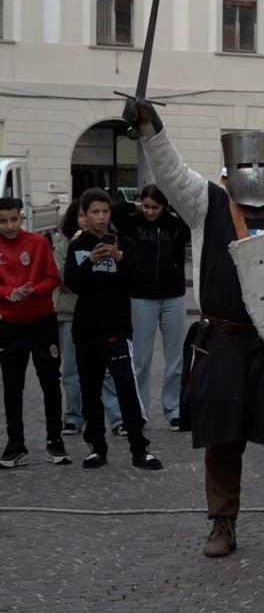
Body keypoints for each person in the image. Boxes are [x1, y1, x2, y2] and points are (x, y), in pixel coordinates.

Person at [129, 101, 264, 557]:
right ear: (229, 166)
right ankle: (222, 522)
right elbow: (171, 172)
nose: (252, 170)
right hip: (224, 340)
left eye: (261, 162)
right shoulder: (207, 204)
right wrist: (150, 130)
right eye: (243, 162)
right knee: (221, 437)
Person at [63, 189, 163, 471]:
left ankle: (139, 449)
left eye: (105, 212)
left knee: (127, 388)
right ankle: (97, 448)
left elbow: (135, 280)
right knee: (90, 390)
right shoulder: (78, 246)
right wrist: (91, 262)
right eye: (95, 212)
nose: (101, 217)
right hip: (85, 330)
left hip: (116, 327)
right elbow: (73, 283)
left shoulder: (125, 244)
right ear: (84, 214)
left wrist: (118, 258)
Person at [111, 185, 191, 431]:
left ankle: (174, 409)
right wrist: (135, 205)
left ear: (165, 206)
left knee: (176, 358)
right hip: (141, 298)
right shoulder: (133, 224)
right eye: (146, 206)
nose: (150, 212)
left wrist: (171, 202)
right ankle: (139, 410)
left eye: (155, 207)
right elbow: (114, 209)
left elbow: (191, 215)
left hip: (173, 298)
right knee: (140, 360)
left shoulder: (177, 226)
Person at [0, 198, 68, 468]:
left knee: (50, 381)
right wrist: (8, 294)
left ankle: (55, 441)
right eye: (3, 221)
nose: (9, 226)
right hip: (9, 325)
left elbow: (53, 278)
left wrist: (32, 291)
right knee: (12, 384)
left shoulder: (38, 244)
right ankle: (15, 444)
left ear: (22, 218)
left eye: (14, 219)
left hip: (42, 323)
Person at [55, 203, 123, 437]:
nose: (87, 220)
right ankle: (73, 417)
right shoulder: (66, 246)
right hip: (69, 314)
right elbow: (64, 277)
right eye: (82, 215)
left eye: (92, 214)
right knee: (72, 370)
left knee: (106, 372)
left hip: (100, 315)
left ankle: (116, 418)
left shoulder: (112, 243)